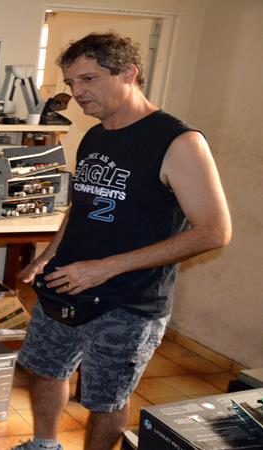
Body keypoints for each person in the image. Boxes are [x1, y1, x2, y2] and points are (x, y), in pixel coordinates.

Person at [13, 33, 231, 450]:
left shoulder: (179, 143)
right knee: (46, 370)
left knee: (105, 399)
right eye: (71, 82)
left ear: (129, 74)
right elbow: (82, 204)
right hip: (65, 285)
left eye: (89, 79)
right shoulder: (96, 135)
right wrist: (47, 255)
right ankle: (44, 444)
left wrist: (104, 268)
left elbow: (214, 231)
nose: (77, 93)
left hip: (128, 302)